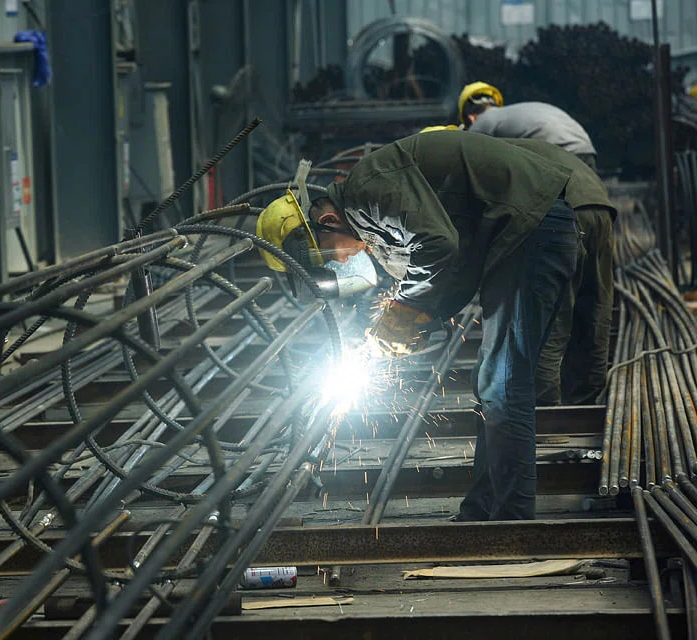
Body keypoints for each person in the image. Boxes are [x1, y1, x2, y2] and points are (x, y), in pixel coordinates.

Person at [256, 130, 580, 520]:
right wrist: (420, 318)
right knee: (492, 382)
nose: (338, 263)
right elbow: (448, 267)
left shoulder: (368, 192)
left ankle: (512, 522)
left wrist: (406, 309)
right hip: (521, 235)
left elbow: (438, 245)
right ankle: (483, 511)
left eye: (325, 256)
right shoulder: (366, 216)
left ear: (327, 220)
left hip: (532, 228)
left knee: (504, 384)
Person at [420, 126, 616, 406]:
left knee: (543, 328)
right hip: (597, 203)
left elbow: (464, 260)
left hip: (558, 211)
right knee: (592, 312)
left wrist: (427, 309)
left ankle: (543, 415)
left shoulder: (456, 173)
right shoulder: (491, 151)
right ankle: (584, 406)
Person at [458, 81, 599, 172]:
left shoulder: (484, 120)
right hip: (585, 150)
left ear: (471, 118)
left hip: (558, 155)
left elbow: (469, 161)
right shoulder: (515, 112)